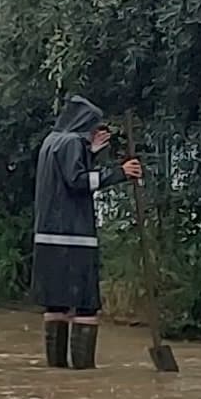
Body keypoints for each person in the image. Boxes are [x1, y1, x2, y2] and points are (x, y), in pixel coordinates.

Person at [28, 96, 133, 369]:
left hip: (47, 237)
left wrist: (90, 153)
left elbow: (66, 173)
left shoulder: (51, 141)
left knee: (56, 304)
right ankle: (83, 373)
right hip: (75, 237)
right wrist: (119, 173)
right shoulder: (73, 142)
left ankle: (57, 371)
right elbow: (77, 181)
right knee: (86, 305)